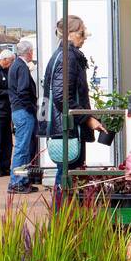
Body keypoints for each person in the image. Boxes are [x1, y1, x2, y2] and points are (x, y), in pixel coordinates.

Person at [44, 16, 107, 173]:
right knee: (68, 177)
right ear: (68, 34)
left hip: (67, 128)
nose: (84, 37)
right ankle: (63, 198)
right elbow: (62, 97)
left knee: (68, 175)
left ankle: (63, 198)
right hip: (68, 129)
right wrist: (88, 120)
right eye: (81, 33)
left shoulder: (65, 55)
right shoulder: (68, 57)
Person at [8, 39, 39, 194]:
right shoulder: (21, 67)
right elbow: (23, 91)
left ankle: (22, 180)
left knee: (24, 148)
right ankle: (17, 182)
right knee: (22, 148)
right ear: (29, 52)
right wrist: (31, 108)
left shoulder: (15, 66)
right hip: (23, 111)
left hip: (18, 110)